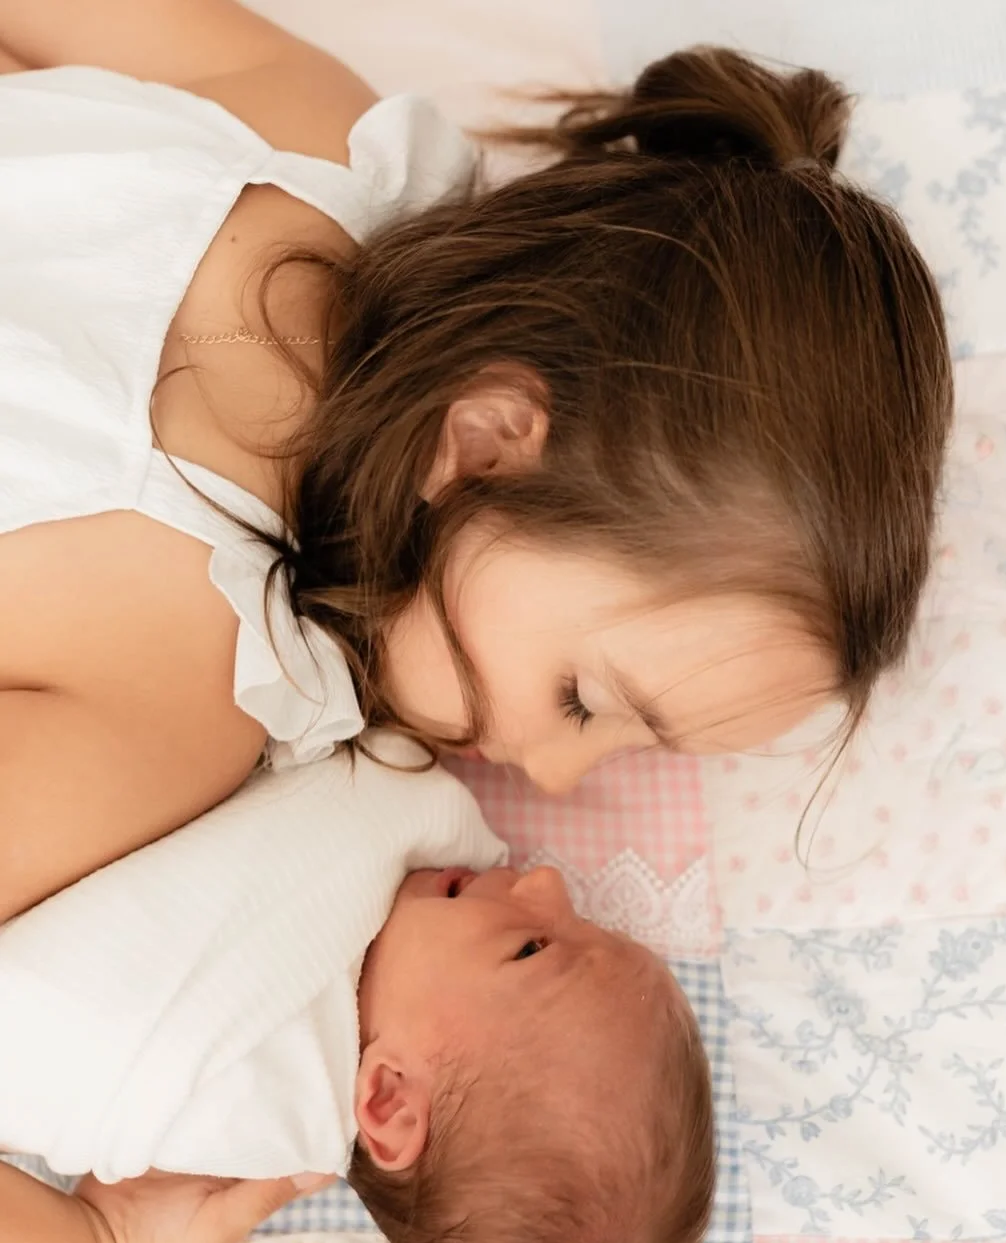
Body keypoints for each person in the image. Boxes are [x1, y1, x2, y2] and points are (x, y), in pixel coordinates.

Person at [0, 3, 952, 934]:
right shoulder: (182, 693)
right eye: (580, 701)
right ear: (483, 444)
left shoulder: (307, 126)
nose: (549, 779)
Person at [0, 744, 713, 1243]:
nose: (547, 884)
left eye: (531, 948)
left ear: (389, 1101)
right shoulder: (421, 852)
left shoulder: (242, 1105)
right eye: (583, 918)